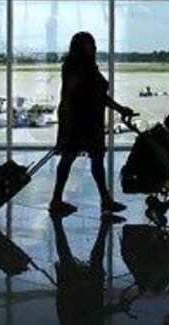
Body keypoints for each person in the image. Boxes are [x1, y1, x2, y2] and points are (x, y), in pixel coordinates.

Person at [50, 32, 136, 217]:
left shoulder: (88, 66)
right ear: (80, 46)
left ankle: (103, 199)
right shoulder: (75, 66)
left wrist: (120, 109)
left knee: (92, 160)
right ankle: (59, 200)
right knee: (71, 159)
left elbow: (99, 96)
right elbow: (67, 96)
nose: (94, 47)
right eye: (90, 44)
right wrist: (66, 126)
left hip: (89, 121)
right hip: (78, 120)